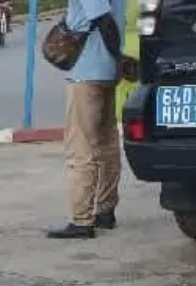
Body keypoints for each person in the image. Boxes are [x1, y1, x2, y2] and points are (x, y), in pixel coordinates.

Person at [48, 0, 124, 237]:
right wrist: (116, 61)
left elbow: (103, 20)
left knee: (80, 147)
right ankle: (105, 209)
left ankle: (82, 220)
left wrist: (116, 55)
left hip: (86, 72)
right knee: (106, 142)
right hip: (107, 72)